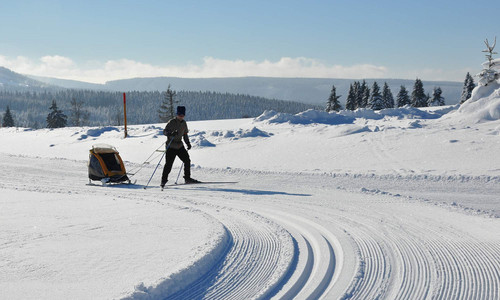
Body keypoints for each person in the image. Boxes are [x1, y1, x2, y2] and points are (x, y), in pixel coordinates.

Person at [160, 106, 199, 188]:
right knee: (169, 164)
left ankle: (187, 178)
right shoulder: (172, 122)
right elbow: (164, 132)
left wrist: (187, 143)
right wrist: (171, 133)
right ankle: (163, 180)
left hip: (179, 146)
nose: (181, 116)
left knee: (187, 160)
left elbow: (185, 134)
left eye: (183, 115)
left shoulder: (184, 123)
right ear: (177, 114)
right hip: (171, 146)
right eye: (180, 115)